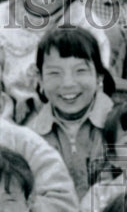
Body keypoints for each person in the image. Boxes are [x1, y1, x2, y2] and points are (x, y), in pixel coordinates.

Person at [23, 26, 116, 198]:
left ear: (99, 78)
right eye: (54, 73)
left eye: (80, 71)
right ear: (40, 80)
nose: (67, 83)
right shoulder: (31, 136)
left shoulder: (119, 124)